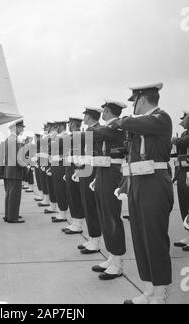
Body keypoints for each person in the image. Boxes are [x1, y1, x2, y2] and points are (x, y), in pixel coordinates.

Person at [114, 83, 174, 304]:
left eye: (134, 101)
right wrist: (124, 185)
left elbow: (127, 121)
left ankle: (160, 295)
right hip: (138, 184)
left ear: (142, 99)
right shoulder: (140, 125)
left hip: (155, 184)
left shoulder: (161, 118)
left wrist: (120, 122)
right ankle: (148, 291)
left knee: (155, 240)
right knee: (140, 238)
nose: (133, 106)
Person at [90, 100, 127, 281]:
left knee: (111, 215)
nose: (102, 113)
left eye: (104, 110)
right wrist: (97, 178)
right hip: (103, 172)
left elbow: (96, 134)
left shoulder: (116, 128)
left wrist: (84, 132)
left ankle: (118, 261)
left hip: (112, 173)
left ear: (108, 111)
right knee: (104, 214)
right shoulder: (108, 128)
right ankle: (112, 255)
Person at [74, 107, 103, 254]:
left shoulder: (97, 130)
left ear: (89, 116)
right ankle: (92, 238)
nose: (83, 117)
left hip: (92, 170)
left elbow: (98, 153)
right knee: (87, 204)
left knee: (92, 206)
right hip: (86, 169)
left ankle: (96, 240)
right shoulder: (91, 130)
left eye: (85, 115)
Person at [62, 117, 85, 235]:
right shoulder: (72, 136)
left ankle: (78, 224)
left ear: (73, 124)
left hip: (77, 169)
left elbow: (80, 155)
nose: (68, 126)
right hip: (70, 168)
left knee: (76, 198)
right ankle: (75, 222)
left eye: (69, 124)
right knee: (71, 197)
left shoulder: (78, 136)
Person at [172, 111, 189, 252]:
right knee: (184, 204)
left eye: (185, 118)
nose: (182, 120)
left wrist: (174, 140)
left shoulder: (184, 137)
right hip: (182, 172)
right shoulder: (184, 134)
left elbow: (181, 142)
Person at [4, 119, 26, 224]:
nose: (22, 129)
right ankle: (12, 217)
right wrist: (26, 167)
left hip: (9, 171)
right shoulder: (14, 140)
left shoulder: (9, 139)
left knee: (10, 194)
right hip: (15, 172)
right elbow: (18, 159)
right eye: (21, 127)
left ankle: (9, 214)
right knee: (14, 195)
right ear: (16, 128)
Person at [51, 121, 70, 223]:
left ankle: (63, 213)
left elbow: (51, 147)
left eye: (56, 126)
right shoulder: (59, 137)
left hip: (61, 164)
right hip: (56, 164)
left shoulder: (64, 137)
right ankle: (61, 211)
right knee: (57, 189)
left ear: (61, 126)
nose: (55, 128)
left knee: (61, 189)